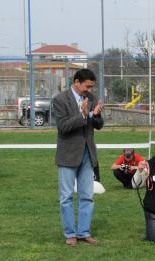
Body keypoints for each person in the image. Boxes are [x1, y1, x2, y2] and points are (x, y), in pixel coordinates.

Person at [53, 68, 104, 247]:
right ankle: (70, 234)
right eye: (87, 86)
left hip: (87, 154)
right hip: (68, 155)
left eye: (91, 87)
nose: (89, 90)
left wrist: (96, 115)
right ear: (76, 82)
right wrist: (83, 115)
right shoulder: (59, 100)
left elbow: (99, 125)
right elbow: (63, 126)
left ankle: (84, 232)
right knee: (66, 196)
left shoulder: (91, 98)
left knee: (87, 196)